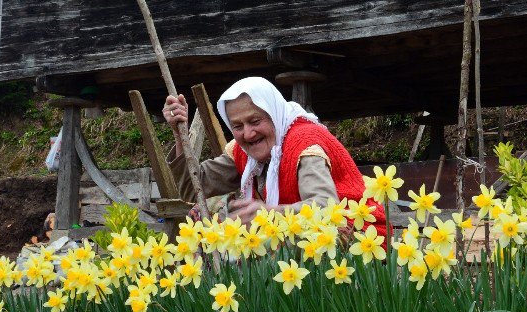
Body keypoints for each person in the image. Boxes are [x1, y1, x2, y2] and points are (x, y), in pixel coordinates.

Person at [163, 76, 386, 236]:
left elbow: (326, 208)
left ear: (274, 114)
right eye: (237, 126)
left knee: (257, 226)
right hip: (299, 234)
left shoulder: (305, 145)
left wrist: (270, 213)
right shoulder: (242, 150)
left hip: (357, 234)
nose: (248, 133)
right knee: (206, 213)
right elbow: (194, 189)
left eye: (255, 121)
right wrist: (179, 135)